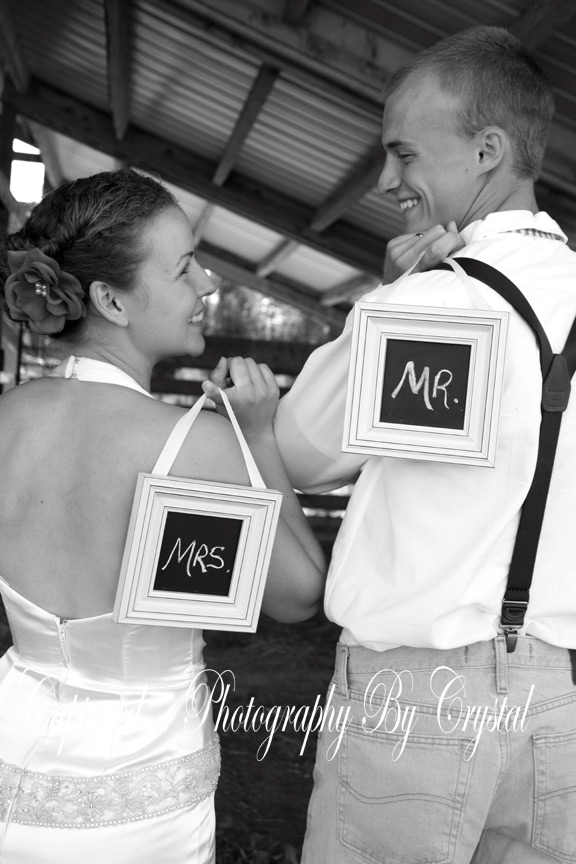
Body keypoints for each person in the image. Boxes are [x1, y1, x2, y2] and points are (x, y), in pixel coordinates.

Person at [274, 25, 576, 864]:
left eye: (403, 154)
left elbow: (298, 452)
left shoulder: (426, 304)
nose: (384, 180)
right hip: (559, 698)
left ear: (488, 151)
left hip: (415, 695)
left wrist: (387, 299)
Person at [0, 168, 325, 864]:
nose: (207, 284)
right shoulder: (191, 445)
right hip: (138, 793)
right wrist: (258, 439)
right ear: (110, 299)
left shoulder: (8, 419)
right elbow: (298, 597)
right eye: (183, 269)